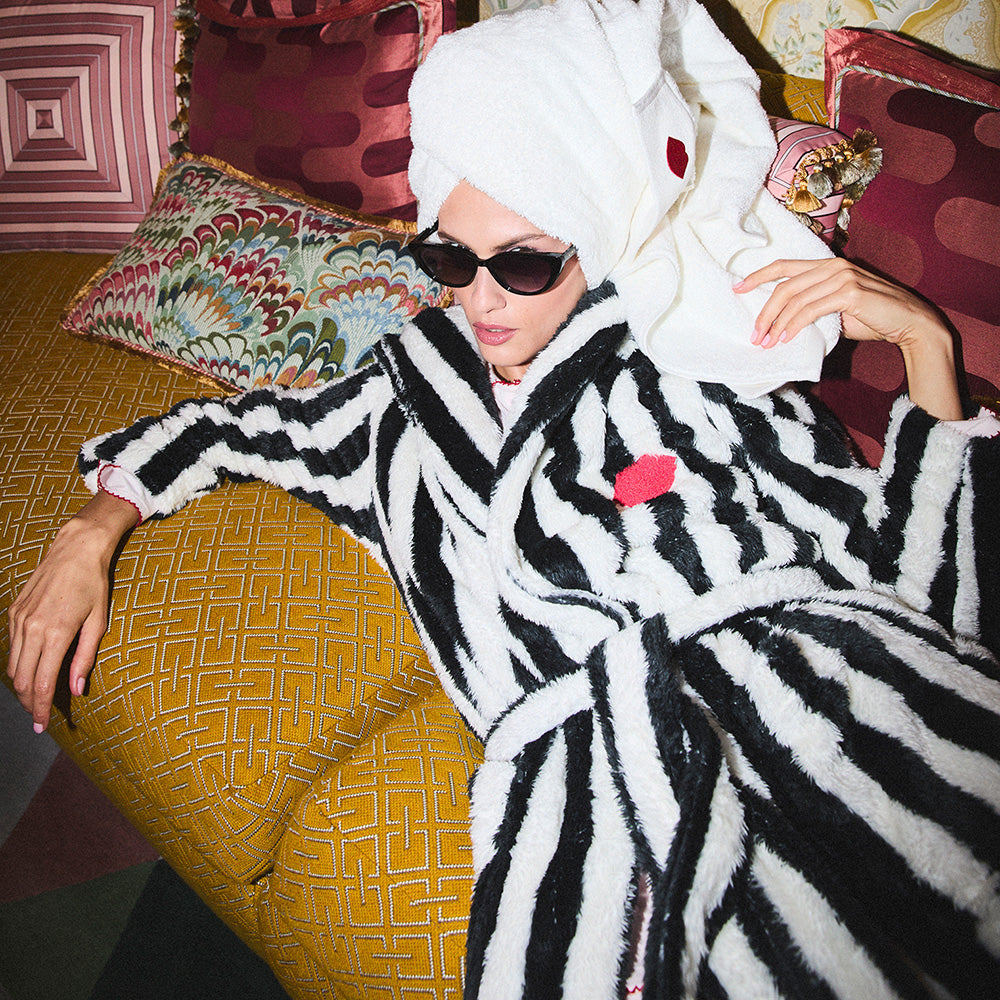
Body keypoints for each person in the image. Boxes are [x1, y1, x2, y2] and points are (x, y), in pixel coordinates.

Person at [7, 0, 1000, 996]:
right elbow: (243, 428)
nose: (480, 299)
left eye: (524, 262)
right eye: (448, 257)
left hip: (843, 721)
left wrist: (921, 340)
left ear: (598, 234)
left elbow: (913, 589)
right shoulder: (405, 401)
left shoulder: (700, 353)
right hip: (622, 789)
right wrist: (93, 529)